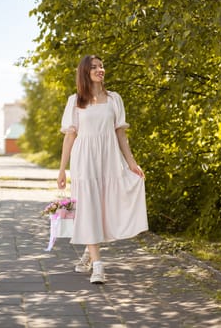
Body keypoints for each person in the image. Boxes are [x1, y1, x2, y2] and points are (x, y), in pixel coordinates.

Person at [57, 55, 148, 284]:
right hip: (84, 158)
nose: (100, 70)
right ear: (85, 72)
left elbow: (121, 134)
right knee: (88, 206)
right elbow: (69, 137)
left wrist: (131, 163)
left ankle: (90, 250)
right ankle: (98, 265)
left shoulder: (114, 99)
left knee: (106, 205)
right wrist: (62, 170)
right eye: (94, 67)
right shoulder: (75, 100)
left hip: (108, 157)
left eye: (101, 66)